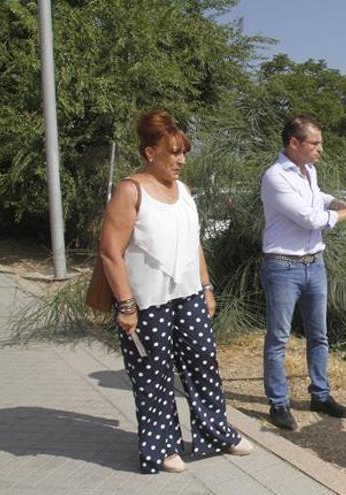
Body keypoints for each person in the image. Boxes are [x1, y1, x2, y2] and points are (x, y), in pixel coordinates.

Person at [99, 109, 252, 474]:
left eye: (184, 152)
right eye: (173, 152)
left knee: (203, 362)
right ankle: (161, 447)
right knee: (153, 374)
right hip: (146, 302)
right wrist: (125, 305)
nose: (181, 160)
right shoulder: (129, 190)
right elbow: (109, 251)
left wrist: (206, 286)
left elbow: (194, 241)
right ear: (151, 152)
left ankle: (216, 432)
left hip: (189, 296)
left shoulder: (183, 190)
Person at [260, 115, 346, 431]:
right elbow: (309, 218)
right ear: (294, 143)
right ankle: (278, 403)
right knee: (279, 338)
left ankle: (320, 395)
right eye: (314, 143)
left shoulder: (309, 171)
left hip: (314, 264)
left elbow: (316, 198)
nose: (321, 149)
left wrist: (337, 201)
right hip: (283, 266)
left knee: (319, 335)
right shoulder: (275, 176)